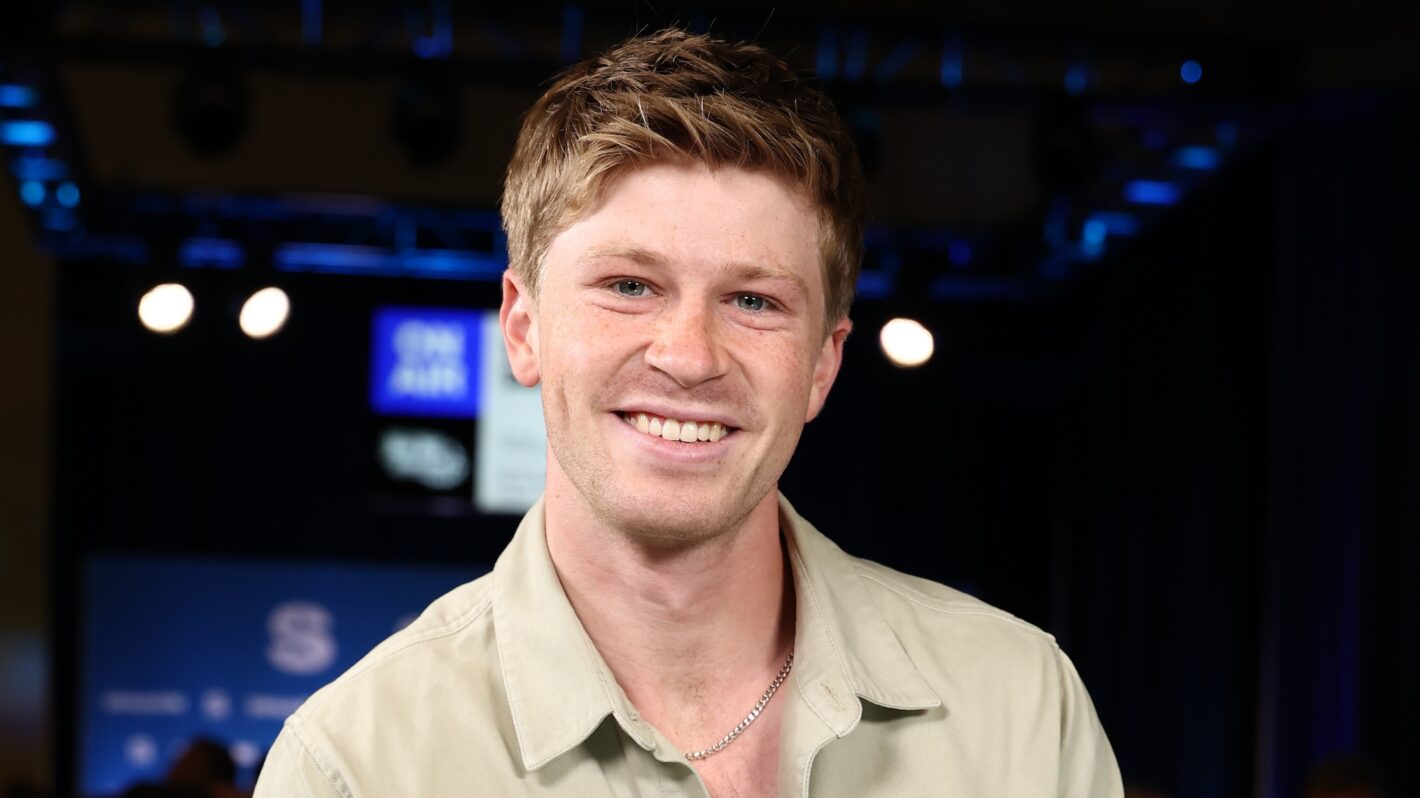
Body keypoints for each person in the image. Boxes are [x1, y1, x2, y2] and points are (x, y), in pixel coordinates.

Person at [254, 28, 1122, 797]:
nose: (690, 356)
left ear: (824, 363)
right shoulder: (356, 768)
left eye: (753, 301)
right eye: (629, 286)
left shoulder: (1019, 707)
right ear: (523, 329)